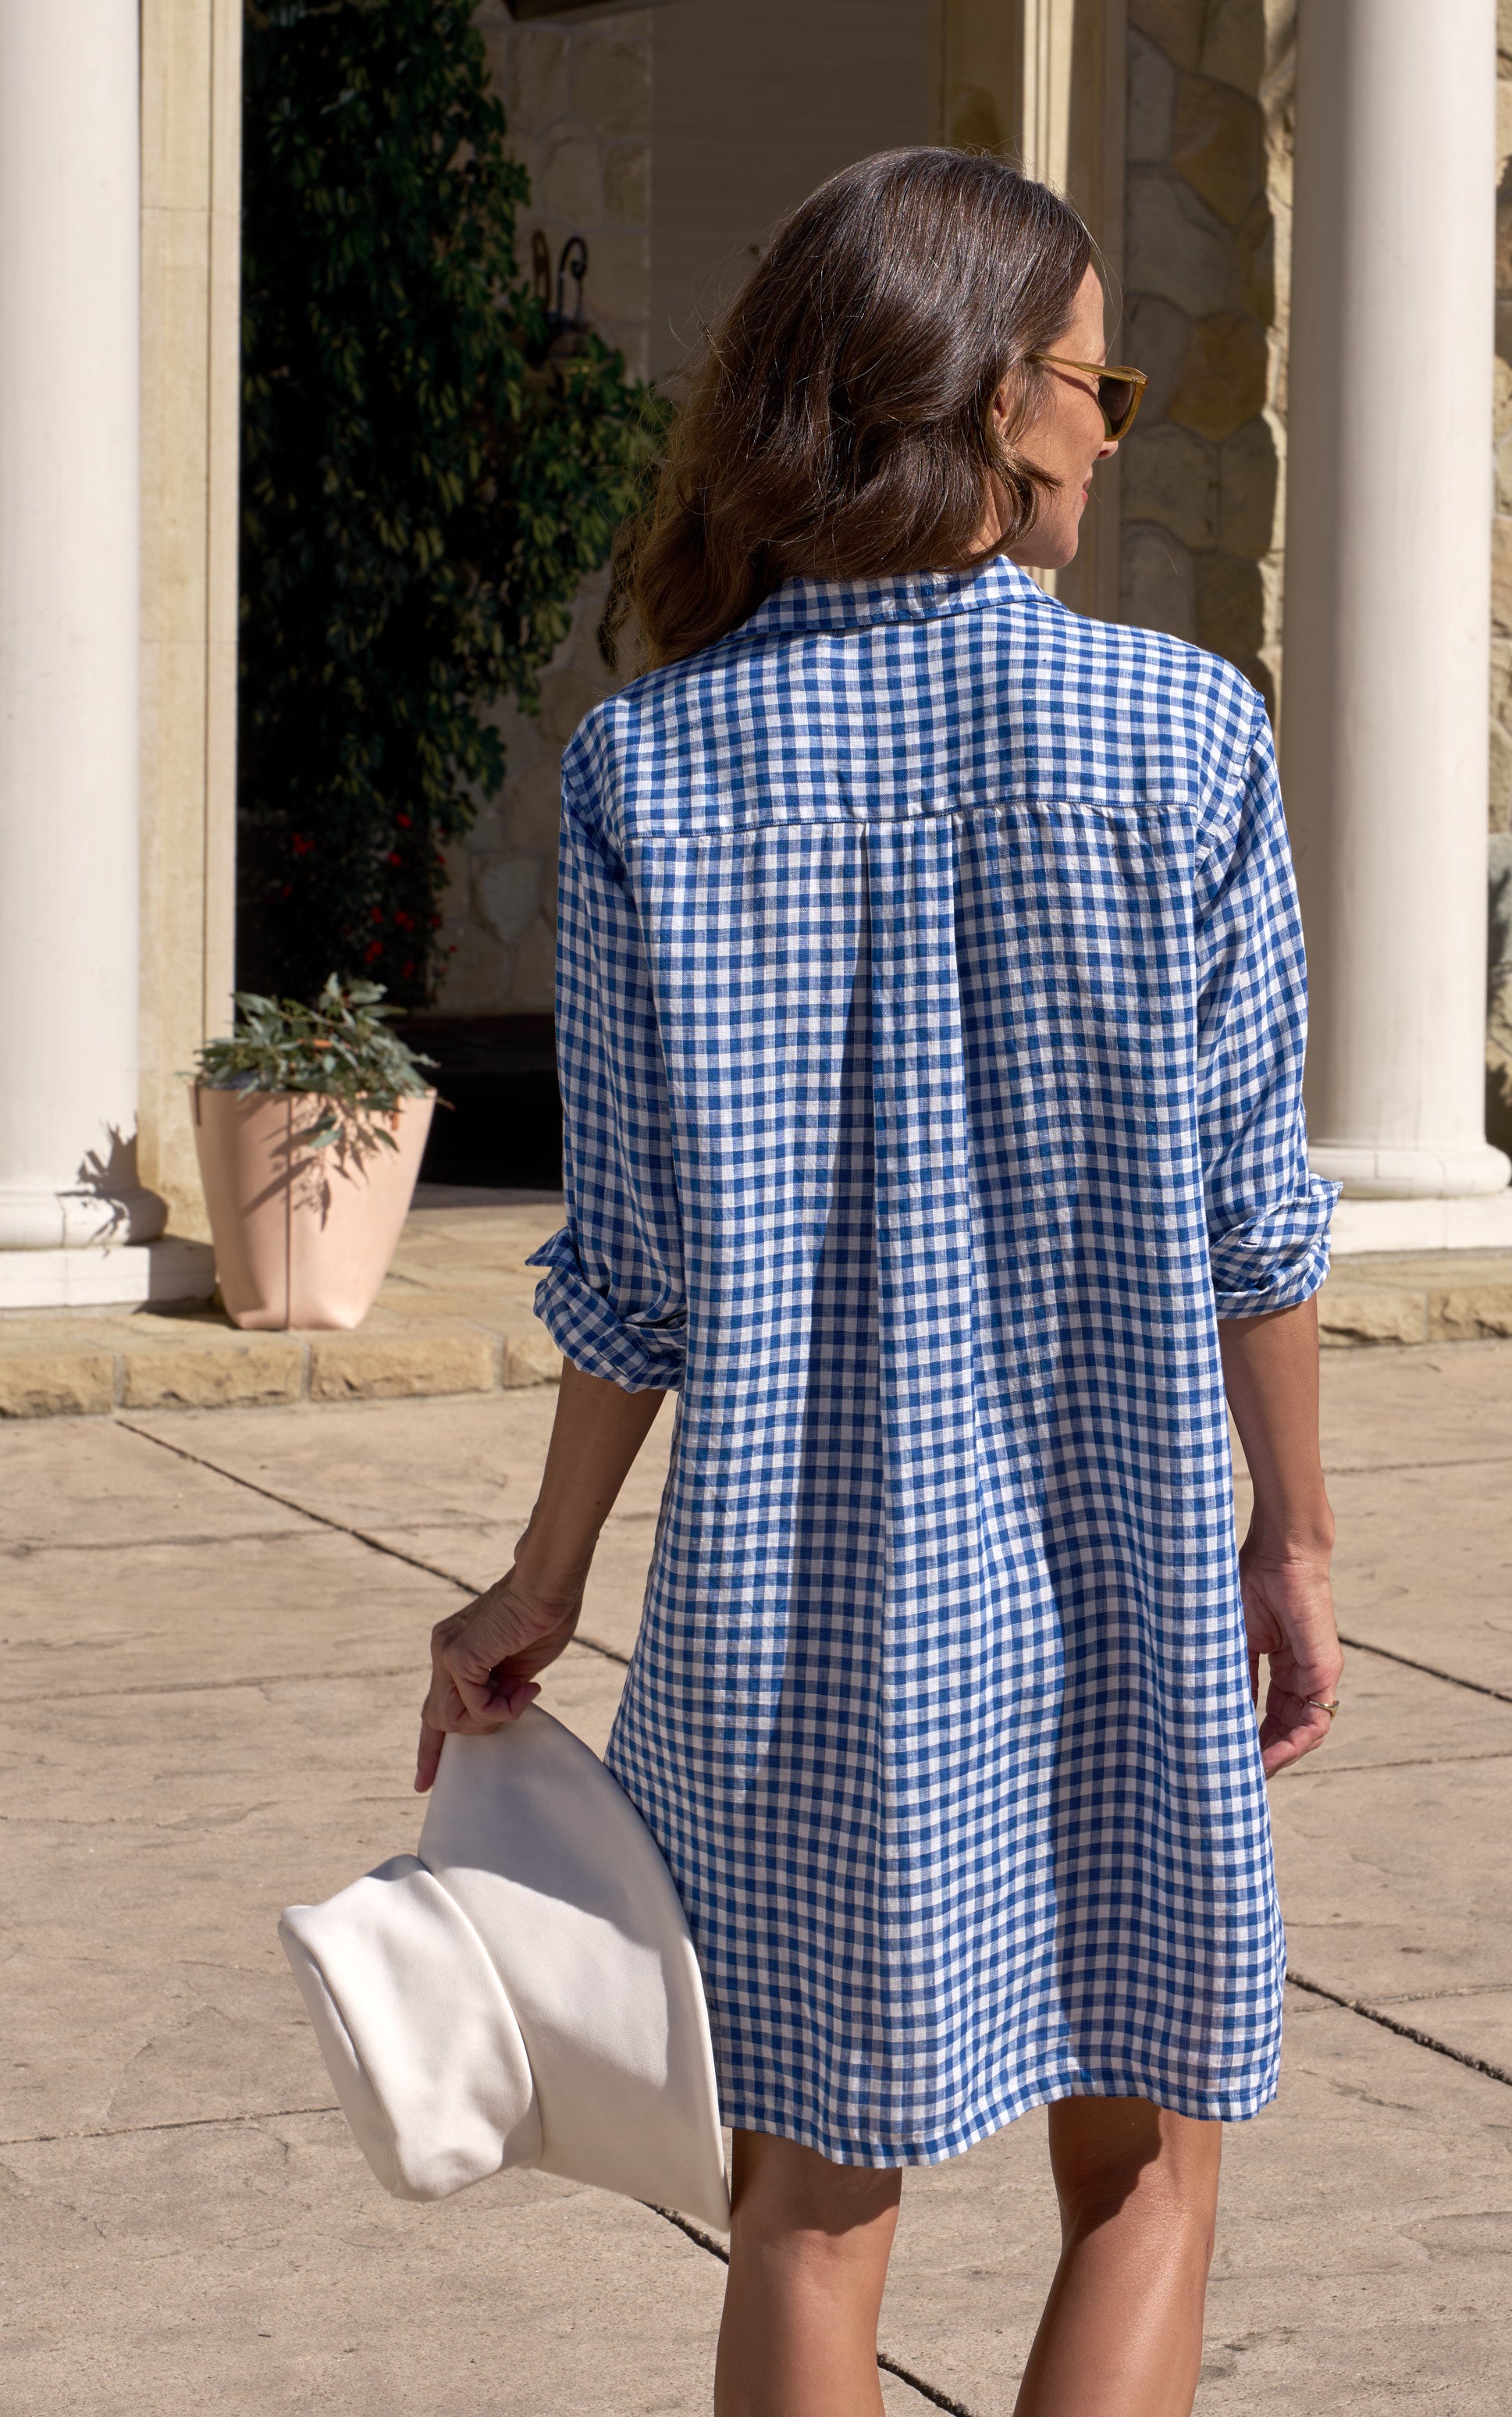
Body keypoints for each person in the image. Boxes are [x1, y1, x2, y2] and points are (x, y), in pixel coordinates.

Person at [417, 146, 1342, 2417]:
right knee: (1145, 2176)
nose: (1109, 437)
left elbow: (633, 1269)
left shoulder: (649, 766)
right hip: (1116, 1578)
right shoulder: (1186, 737)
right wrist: (1295, 1539)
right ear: (999, 399)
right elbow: (1256, 1219)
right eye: (1099, 384)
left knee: (807, 2218)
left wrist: (542, 1576)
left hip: (795, 1620)